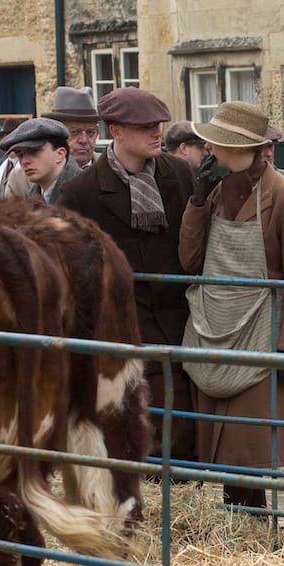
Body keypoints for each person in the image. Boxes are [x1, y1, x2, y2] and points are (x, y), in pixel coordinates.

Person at [178, 101, 284, 510]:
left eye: (214, 144)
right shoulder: (219, 191)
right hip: (215, 327)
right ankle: (234, 519)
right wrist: (197, 202)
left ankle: (250, 524)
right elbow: (189, 260)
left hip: (259, 333)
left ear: (235, 146)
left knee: (249, 447)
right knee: (222, 446)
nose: (207, 150)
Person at [60, 87, 198, 463]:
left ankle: (184, 494)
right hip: (124, 322)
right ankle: (159, 498)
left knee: (186, 422)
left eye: (158, 125)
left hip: (183, 317)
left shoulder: (181, 174)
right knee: (142, 422)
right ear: (116, 131)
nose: (157, 133)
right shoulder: (80, 192)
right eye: (144, 127)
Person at [0, 117, 81, 204]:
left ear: (59, 155)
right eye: (20, 154)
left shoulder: (85, 191)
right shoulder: (34, 196)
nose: (24, 161)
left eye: (33, 152)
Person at [44, 86, 102, 170]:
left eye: (90, 132)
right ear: (56, 134)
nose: (84, 140)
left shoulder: (113, 169)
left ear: (97, 133)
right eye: (74, 132)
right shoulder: (29, 175)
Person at [0, 118, 24, 199]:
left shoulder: (28, 165)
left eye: (13, 137)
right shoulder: (3, 167)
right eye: (5, 138)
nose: (9, 143)